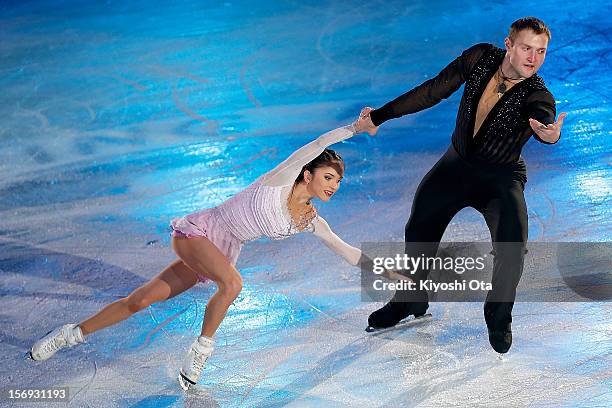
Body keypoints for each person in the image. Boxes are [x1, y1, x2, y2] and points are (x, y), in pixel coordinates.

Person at [30, 110, 404, 389]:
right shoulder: (281, 179)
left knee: (140, 301)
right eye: (328, 177)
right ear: (308, 174)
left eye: (338, 182)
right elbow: (319, 144)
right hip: (201, 231)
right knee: (233, 285)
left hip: (222, 250)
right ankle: (201, 350)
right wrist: (356, 128)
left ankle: (71, 333)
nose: (333, 186)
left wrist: (391, 275)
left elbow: (347, 251)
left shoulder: (308, 220)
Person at [360, 17, 567, 353]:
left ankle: (499, 314)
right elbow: (433, 90)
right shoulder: (480, 58)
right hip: (454, 167)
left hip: (500, 179)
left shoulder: (537, 93)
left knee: (512, 246)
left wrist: (550, 132)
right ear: (509, 44)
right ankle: (410, 299)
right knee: (420, 227)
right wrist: (380, 116)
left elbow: (544, 116)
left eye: (541, 51)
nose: (533, 57)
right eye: (526, 48)